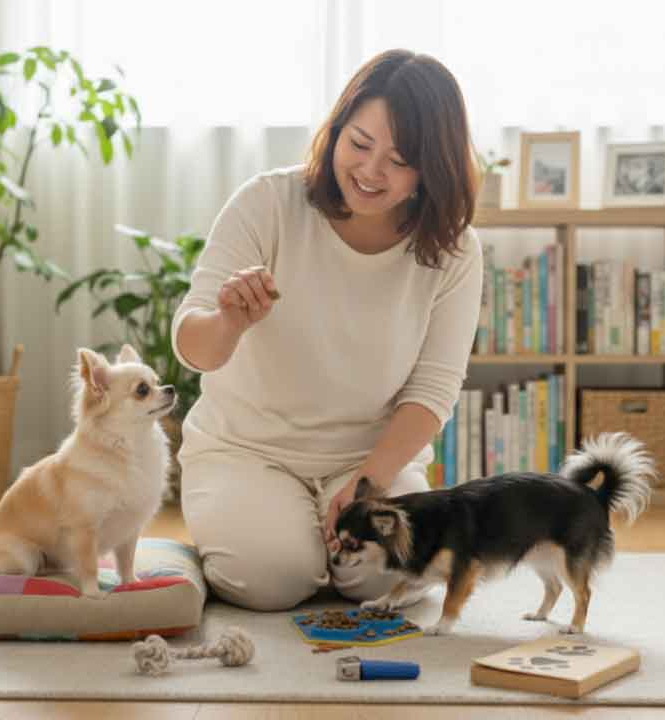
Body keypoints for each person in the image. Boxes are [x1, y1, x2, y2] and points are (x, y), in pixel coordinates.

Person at [170, 49, 483, 611]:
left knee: (389, 578)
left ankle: (321, 546)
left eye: (399, 159)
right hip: (248, 449)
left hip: (369, 458)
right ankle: (281, 542)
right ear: (336, 131)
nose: (369, 172)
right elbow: (194, 348)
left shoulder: (454, 250)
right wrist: (229, 321)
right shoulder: (267, 202)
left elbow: (433, 389)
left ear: (433, 168)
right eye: (359, 144)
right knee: (275, 579)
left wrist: (367, 484)